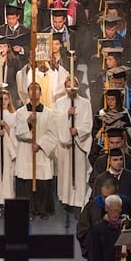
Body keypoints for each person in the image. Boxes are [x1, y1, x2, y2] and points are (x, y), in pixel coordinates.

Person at [15, 83, 58, 219]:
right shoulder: (20, 113)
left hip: (41, 153)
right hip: (26, 152)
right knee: (26, 182)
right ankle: (28, 211)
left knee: (42, 183)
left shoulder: (49, 113)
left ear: (41, 93)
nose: (34, 92)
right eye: (31, 90)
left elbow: (53, 134)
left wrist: (39, 144)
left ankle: (43, 210)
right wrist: (28, 122)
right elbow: (18, 133)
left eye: (36, 90)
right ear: (28, 93)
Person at [53, 77, 93, 218]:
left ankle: (77, 202)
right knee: (66, 173)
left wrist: (78, 131)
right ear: (64, 88)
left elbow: (88, 122)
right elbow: (56, 121)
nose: (71, 89)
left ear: (77, 87)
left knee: (78, 173)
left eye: (73, 86)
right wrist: (67, 115)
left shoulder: (85, 103)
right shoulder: (59, 103)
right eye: (68, 87)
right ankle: (66, 201)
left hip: (78, 144)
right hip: (65, 145)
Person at [88, 195, 131, 261]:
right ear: (106, 208)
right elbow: (93, 256)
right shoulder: (98, 229)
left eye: (118, 211)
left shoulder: (126, 226)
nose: (115, 214)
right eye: (112, 210)